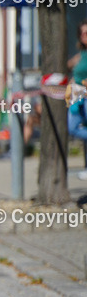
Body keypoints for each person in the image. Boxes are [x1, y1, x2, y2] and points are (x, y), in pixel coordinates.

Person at [66, 20, 87, 180]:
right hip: (78, 95)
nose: (85, 36)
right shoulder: (82, 53)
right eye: (82, 33)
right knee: (72, 127)